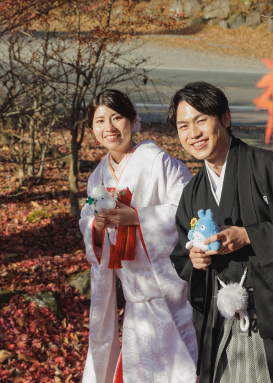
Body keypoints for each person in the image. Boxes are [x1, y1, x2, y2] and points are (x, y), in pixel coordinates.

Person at [168, 82, 273, 383]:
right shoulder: (193, 192)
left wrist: (250, 235)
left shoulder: (268, 168)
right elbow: (181, 253)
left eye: (201, 120)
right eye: (183, 126)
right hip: (223, 324)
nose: (193, 133)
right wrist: (195, 262)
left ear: (225, 118)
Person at [79, 89, 198, 383]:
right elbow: (86, 220)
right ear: (93, 130)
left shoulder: (158, 162)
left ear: (132, 120)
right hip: (135, 301)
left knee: (180, 371)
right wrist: (96, 225)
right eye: (100, 120)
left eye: (117, 117)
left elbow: (191, 211)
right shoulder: (97, 177)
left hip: (171, 295)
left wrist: (136, 217)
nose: (109, 127)